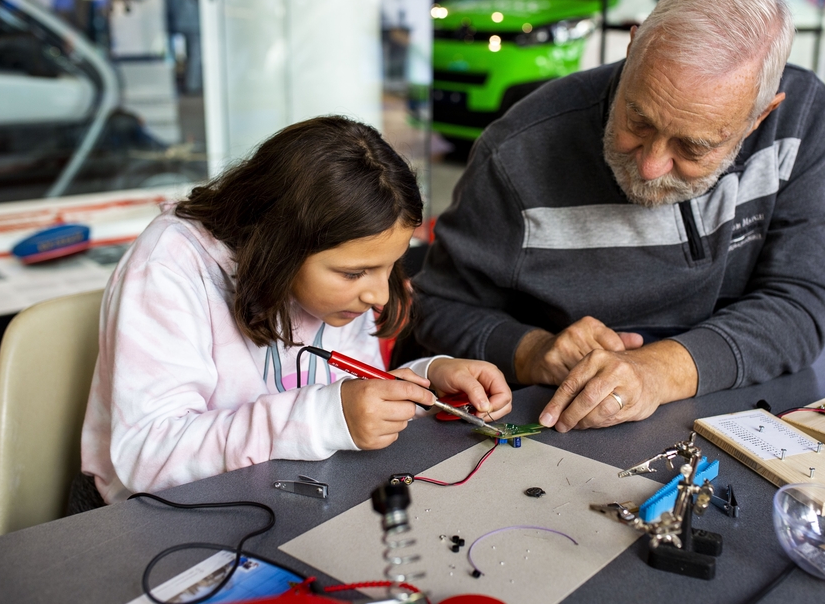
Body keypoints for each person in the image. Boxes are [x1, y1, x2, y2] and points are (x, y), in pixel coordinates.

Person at [412, 0, 825, 434]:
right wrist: (533, 350)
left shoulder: (799, 116)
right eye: (637, 121)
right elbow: (435, 308)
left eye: (693, 148)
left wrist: (660, 370)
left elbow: (801, 298)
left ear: (761, 116)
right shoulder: (517, 155)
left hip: (739, 416)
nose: (652, 165)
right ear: (632, 46)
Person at [78, 116, 512, 507]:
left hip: (279, 493)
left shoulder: (338, 287)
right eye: (355, 272)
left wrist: (428, 379)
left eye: (389, 266)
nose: (379, 296)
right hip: (148, 519)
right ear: (279, 244)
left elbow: (343, 399)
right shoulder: (168, 266)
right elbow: (148, 459)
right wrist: (328, 416)